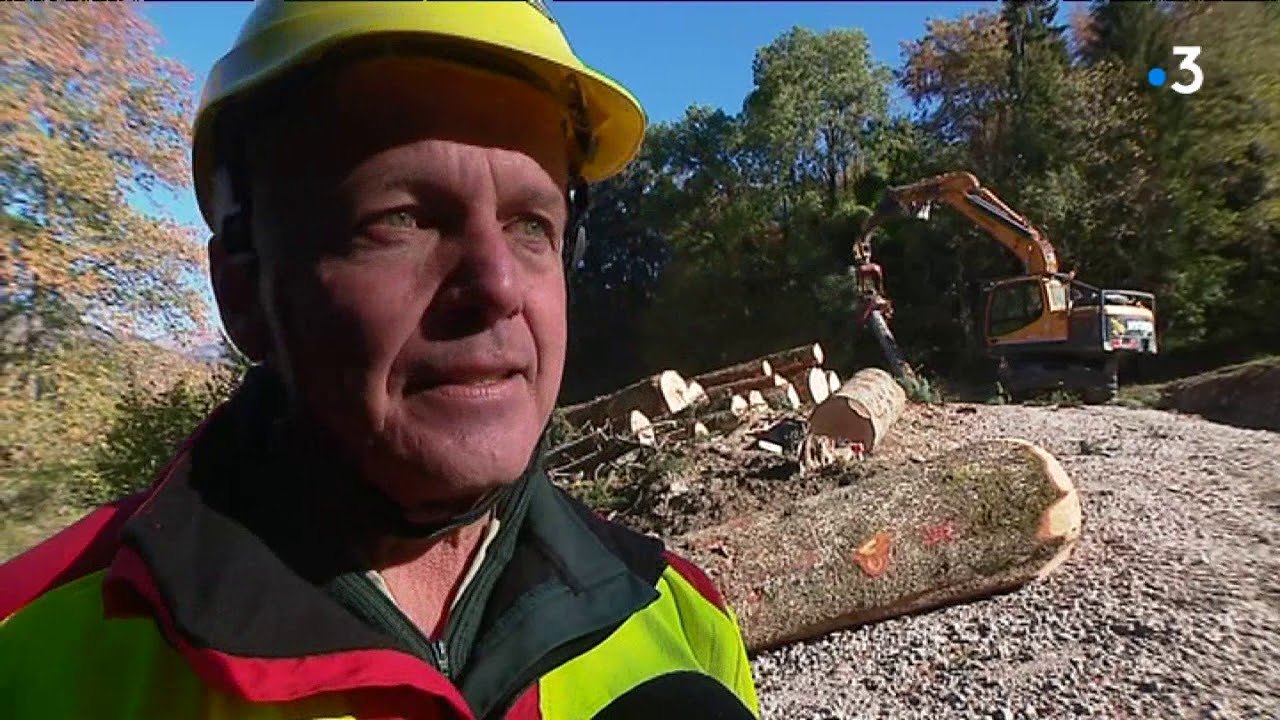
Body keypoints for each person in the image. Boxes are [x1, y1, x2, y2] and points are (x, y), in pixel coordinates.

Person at [0, 2, 761, 718]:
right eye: (401, 219)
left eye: (532, 226)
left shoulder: (686, 630)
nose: (496, 285)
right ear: (244, 289)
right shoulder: (34, 655)